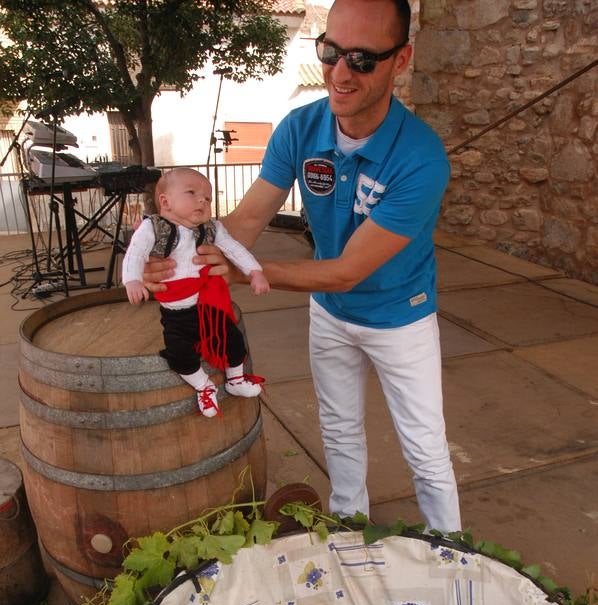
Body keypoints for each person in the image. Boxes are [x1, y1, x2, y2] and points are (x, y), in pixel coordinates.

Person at [143, 0, 461, 533]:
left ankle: (453, 552)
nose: (339, 73)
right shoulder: (300, 127)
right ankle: (347, 528)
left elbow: (346, 270)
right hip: (330, 313)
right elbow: (245, 220)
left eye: (361, 59)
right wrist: (181, 255)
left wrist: (245, 271)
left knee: (424, 446)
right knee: (338, 428)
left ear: (400, 60)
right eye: (330, 52)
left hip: (399, 317)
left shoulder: (422, 158)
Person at [122, 167, 269, 418]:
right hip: (175, 313)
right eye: (192, 193)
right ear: (165, 202)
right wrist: (132, 280)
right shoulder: (153, 227)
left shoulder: (211, 228)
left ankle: (235, 380)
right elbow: (135, 253)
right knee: (179, 354)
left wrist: (255, 271)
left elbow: (234, 249)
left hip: (206, 305)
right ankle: (203, 386)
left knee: (233, 340)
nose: (202, 200)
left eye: (208, 198)